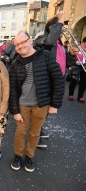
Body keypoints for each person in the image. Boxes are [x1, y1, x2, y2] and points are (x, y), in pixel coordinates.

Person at [9, 30, 64, 172]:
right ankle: (17, 156)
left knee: (35, 133)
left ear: (30, 40)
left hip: (41, 104)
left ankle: (29, 156)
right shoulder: (15, 64)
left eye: (22, 42)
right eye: (16, 45)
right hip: (23, 105)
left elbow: (58, 79)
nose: (20, 46)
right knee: (20, 132)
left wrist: (55, 104)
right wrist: (15, 110)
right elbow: (13, 89)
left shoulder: (45, 56)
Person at [34, 9, 77, 148]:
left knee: (46, 109)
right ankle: (36, 134)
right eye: (60, 27)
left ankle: (39, 129)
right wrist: (60, 19)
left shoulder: (59, 44)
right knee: (41, 108)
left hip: (56, 81)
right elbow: (49, 42)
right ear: (53, 27)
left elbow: (65, 63)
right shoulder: (43, 38)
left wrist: (71, 55)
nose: (63, 30)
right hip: (44, 81)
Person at [68, 36, 86, 103]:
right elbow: (73, 56)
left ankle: (80, 96)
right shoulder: (78, 47)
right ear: (84, 42)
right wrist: (74, 62)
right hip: (76, 66)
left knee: (83, 83)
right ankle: (71, 95)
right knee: (74, 80)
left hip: (84, 66)